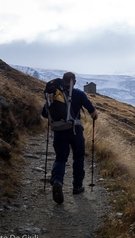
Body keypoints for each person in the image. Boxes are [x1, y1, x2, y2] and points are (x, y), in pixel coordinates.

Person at [41, 72, 98, 204]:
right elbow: (93, 113)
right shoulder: (79, 94)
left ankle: (57, 181)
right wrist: (94, 116)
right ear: (74, 81)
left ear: (62, 81)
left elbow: (44, 113)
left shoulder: (54, 95)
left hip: (59, 131)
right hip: (75, 131)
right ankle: (77, 186)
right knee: (78, 158)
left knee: (60, 158)